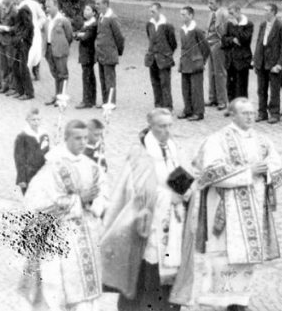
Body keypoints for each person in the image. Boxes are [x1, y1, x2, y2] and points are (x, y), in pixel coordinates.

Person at [170, 98, 282, 311]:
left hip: (254, 209)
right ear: (232, 115)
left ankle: (240, 301)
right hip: (226, 209)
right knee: (224, 258)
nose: (250, 117)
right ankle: (219, 302)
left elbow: (277, 167)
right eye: (245, 113)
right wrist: (249, 172)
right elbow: (211, 172)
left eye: (252, 113)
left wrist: (268, 172)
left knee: (246, 259)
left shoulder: (263, 140)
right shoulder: (217, 140)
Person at [102, 108, 184, 311]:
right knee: (146, 278)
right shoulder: (141, 153)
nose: (167, 131)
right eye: (161, 126)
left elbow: (177, 173)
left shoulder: (171, 147)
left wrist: (186, 190)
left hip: (170, 223)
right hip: (147, 227)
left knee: (167, 278)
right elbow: (137, 191)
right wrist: (168, 197)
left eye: (169, 126)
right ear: (151, 126)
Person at [20, 119, 106, 311]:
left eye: (85, 138)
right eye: (77, 138)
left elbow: (102, 195)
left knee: (84, 295)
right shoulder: (52, 166)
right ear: (66, 138)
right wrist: (78, 201)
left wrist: (94, 202)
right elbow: (38, 204)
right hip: (58, 237)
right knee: (55, 290)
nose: (82, 142)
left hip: (85, 238)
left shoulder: (92, 165)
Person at [252, 3, 282, 124]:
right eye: (264, 10)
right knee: (261, 89)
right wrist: (256, 60)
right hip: (262, 61)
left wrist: (279, 64)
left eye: (267, 11)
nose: (264, 13)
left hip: (273, 63)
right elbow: (259, 42)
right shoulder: (262, 25)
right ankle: (262, 112)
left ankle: (275, 113)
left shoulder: (280, 26)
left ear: (273, 12)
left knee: (274, 89)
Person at [178, 6, 210, 121]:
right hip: (185, 62)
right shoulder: (182, 29)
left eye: (185, 15)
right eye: (181, 14)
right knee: (185, 88)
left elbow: (206, 48)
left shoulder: (197, 30)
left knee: (196, 89)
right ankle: (188, 109)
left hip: (195, 63)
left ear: (191, 16)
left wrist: (201, 60)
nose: (182, 17)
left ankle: (198, 112)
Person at [145, 3, 177, 110]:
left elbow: (173, 43)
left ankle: (167, 106)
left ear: (159, 11)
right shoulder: (149, 24)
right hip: (152, 58)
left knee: (165, 83)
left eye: (153, 12)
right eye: (150, 12)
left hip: (163, 58)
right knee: (155, 82)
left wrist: (166, 53)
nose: (151, 14)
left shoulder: (167, 26)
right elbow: (150, 38)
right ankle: (158, 104)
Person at [44, 0, 75, 105]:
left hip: (60, 50)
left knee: (62, 73)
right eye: (46, 7)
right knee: (55, 73)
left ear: (56, 6)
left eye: (49, 7)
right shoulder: (47, 19)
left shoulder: (63, 20)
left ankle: (62, 97)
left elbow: (69, 36)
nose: (47, 9)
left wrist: (63, 46)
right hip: (49, 48)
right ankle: (57, 95)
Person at [95, 0, 125, 106]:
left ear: (106, 4)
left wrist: (118, 51)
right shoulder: (101, 16)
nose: (96, 6)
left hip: (109, 53)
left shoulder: (112, 18)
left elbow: (119, 36)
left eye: (98, 4)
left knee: (110, 80)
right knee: (103, 79)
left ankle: (111, 102)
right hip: (101, 53)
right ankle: (105, 100)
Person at [13, 108, 50, 194]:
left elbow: (47, 153)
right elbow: (19, 159)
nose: (36, 122)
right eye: (33, 120)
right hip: (28, 174)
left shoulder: (44, 135)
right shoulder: (22, 136)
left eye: (38, 119)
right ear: (28, 120)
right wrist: (21, 178)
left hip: (42, 172)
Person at [222, 3, 253, 106]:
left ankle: (241, 107)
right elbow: (224, 39)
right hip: (230, 59)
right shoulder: (229, 23)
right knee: (230, 85)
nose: (230, 16)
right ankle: (231, 106)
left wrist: (236, 27)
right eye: (229, 14)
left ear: (238, 11)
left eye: (232, 13)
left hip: (242, 60)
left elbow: (244, 39)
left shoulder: (248, 24)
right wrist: (232, 40)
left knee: (241, 85)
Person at [205, 0, 230, 111]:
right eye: (208, 3)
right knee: (211, 72)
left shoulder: (223, 13)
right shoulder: (212, 13)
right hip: (209, 44)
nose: (209, 5)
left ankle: (222, 100)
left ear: (218, 3)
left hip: (218, 45)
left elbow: (223, 31)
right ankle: (212, 98)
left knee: (219, 72)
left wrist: (221, 42)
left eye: (212, 3)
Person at [74, 4, 99, 109]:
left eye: (88, 9)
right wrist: (79, 35)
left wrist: (80, 35)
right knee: (89, 76)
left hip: (88, 53)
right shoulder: (87, 23)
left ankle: (87, 100)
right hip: (85, 52)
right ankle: (90, 99)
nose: (85, 11)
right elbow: (78, 35)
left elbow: (85, 37)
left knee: (87, 77)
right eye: (85, 9)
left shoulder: (93, 24)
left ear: (93, 12)